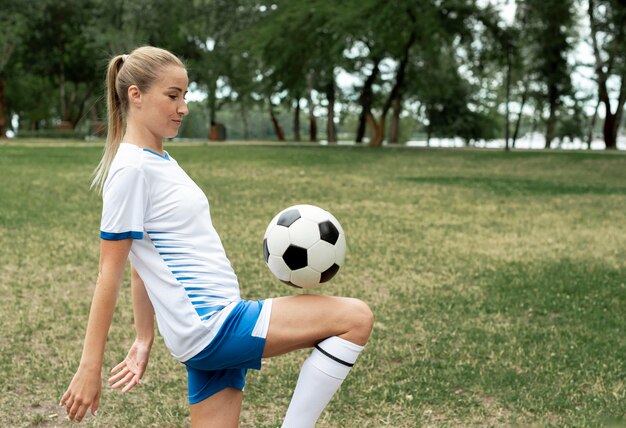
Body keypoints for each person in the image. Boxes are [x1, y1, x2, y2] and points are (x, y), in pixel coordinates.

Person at [59, 46, 374, 427]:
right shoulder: (132, 169)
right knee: (355, 318)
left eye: (185, 96)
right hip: (213, 325)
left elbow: (142, 262)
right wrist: (89, 367)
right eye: (172, 96)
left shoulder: (159, 160)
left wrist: (145, 339)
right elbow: (109, 272)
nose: (183, 107)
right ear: (135, 95)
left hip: (207, 329)